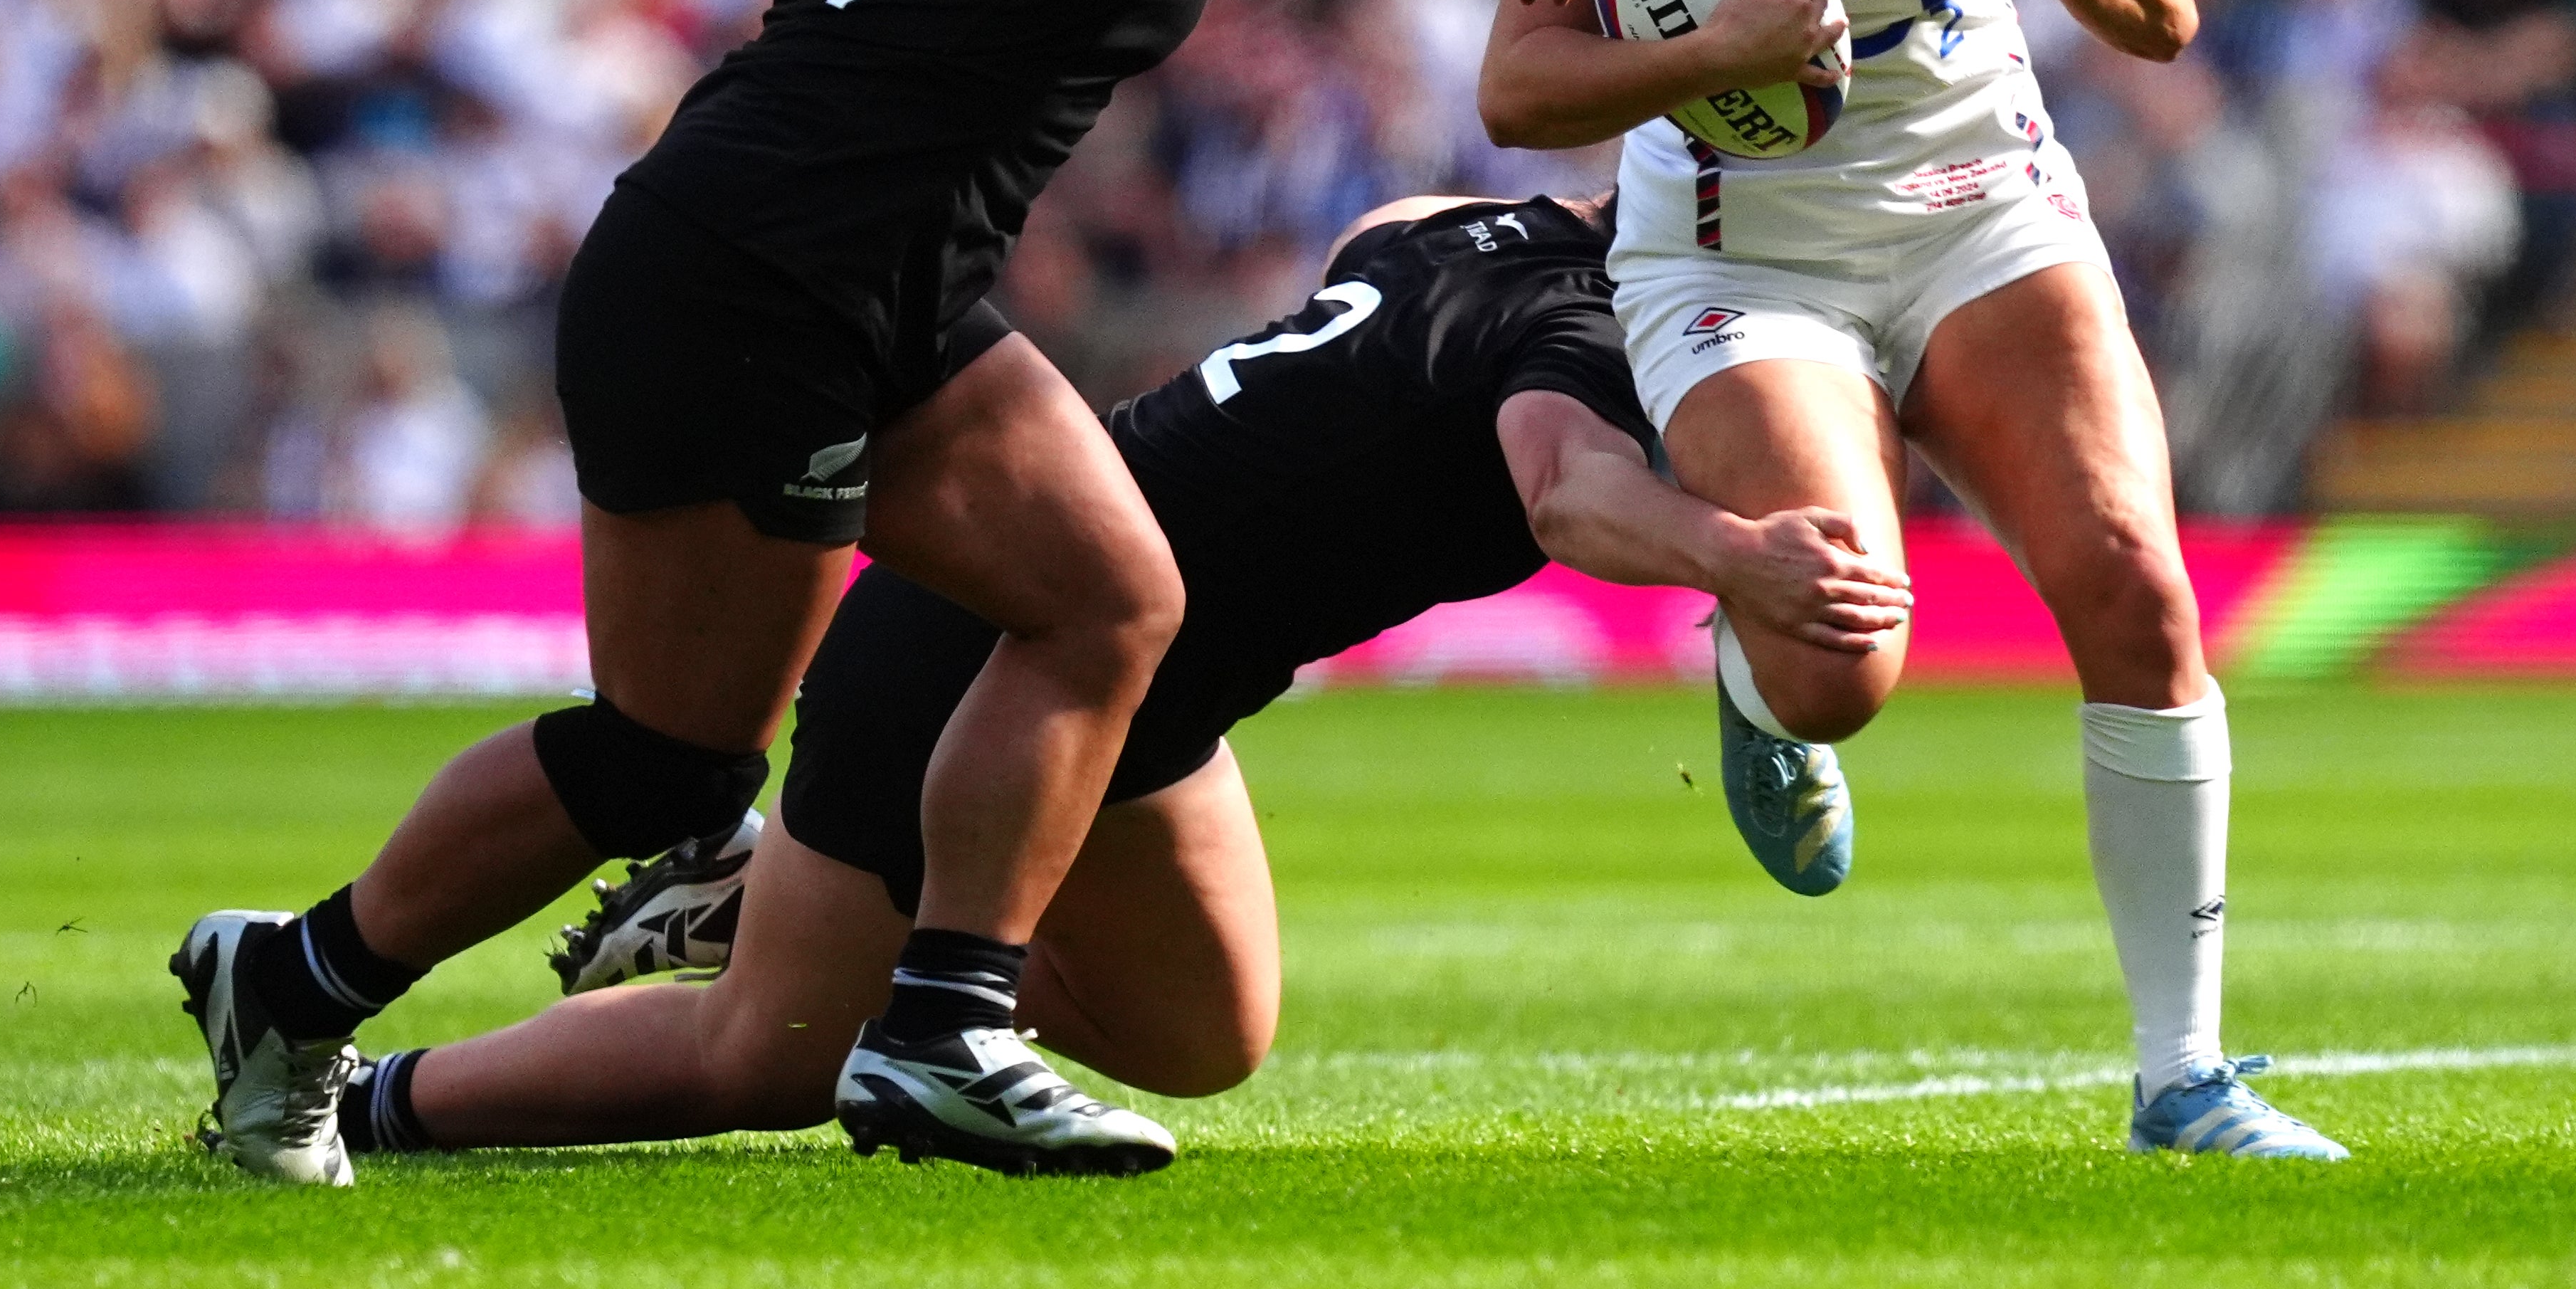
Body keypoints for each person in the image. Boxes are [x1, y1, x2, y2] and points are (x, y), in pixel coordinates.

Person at [174, 0, 1617, 1187]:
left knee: (1110, 596)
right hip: (780, 284)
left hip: (823, 267)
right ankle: (293, 978)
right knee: (664, 765)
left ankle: (943, 1024)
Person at [1464, 0, 2348, 1160]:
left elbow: (2165, 6)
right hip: (1736, 252)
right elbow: (1520, 82)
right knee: (1842, 660)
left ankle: (2184, 1075)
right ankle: (1752, 675)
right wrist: (1716, 54)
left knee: (2139, 588)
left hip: (1979, 209)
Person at [294, 193, 1906, 1167]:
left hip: (1132, 677)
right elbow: (1564, 491)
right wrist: (1739, 555)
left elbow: (1393, 235)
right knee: (765, 1058)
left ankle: (790, 895)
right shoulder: (1585, 329)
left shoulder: (1469, 234)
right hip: (987, 642)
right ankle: (378, 1102)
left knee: (1206, 1034)